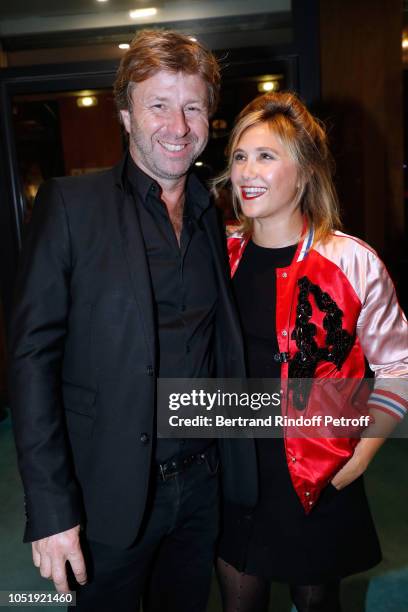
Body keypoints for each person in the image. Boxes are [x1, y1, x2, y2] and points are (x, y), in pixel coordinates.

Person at [8, 30, 257, 612]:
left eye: (193, 106)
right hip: (107, 494)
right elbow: (31, 361)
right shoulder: (71, 207)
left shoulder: (210, 213)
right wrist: (51, 508)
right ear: (125, 114)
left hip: (202, 487)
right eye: (159, 105)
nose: (178, 125)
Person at [212, 91, 408, 612]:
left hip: (321, 471)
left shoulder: (351, 261)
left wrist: (362, 454)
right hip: (237, 472)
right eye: (239, 156)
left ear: (305, 173)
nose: (247, 171)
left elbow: (397, 367)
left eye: (267, 155)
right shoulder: (216, 255)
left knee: (318, 602)